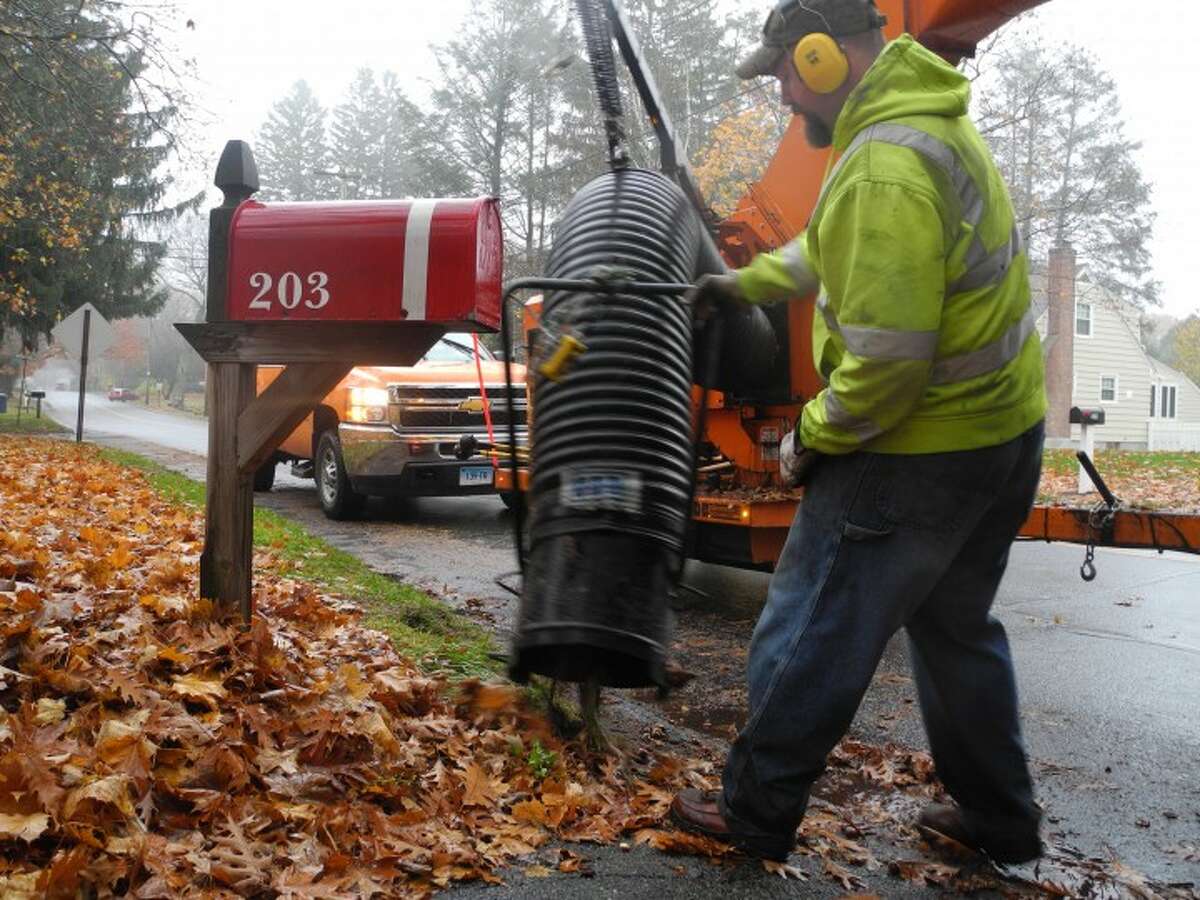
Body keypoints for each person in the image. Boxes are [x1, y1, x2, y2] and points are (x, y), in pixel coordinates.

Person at [671, 0, 1047, 865]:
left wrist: (811, 437)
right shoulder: (916, 123)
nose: (783, 97)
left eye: (786, 75)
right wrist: (745, 284)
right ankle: (1002, 822)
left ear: (826, 55)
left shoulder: (884, 163)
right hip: (1000, 435)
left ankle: (756, 809)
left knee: (810, 624)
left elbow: (884, 366)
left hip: (916, 446)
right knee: (956, 631)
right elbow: (824, 250)